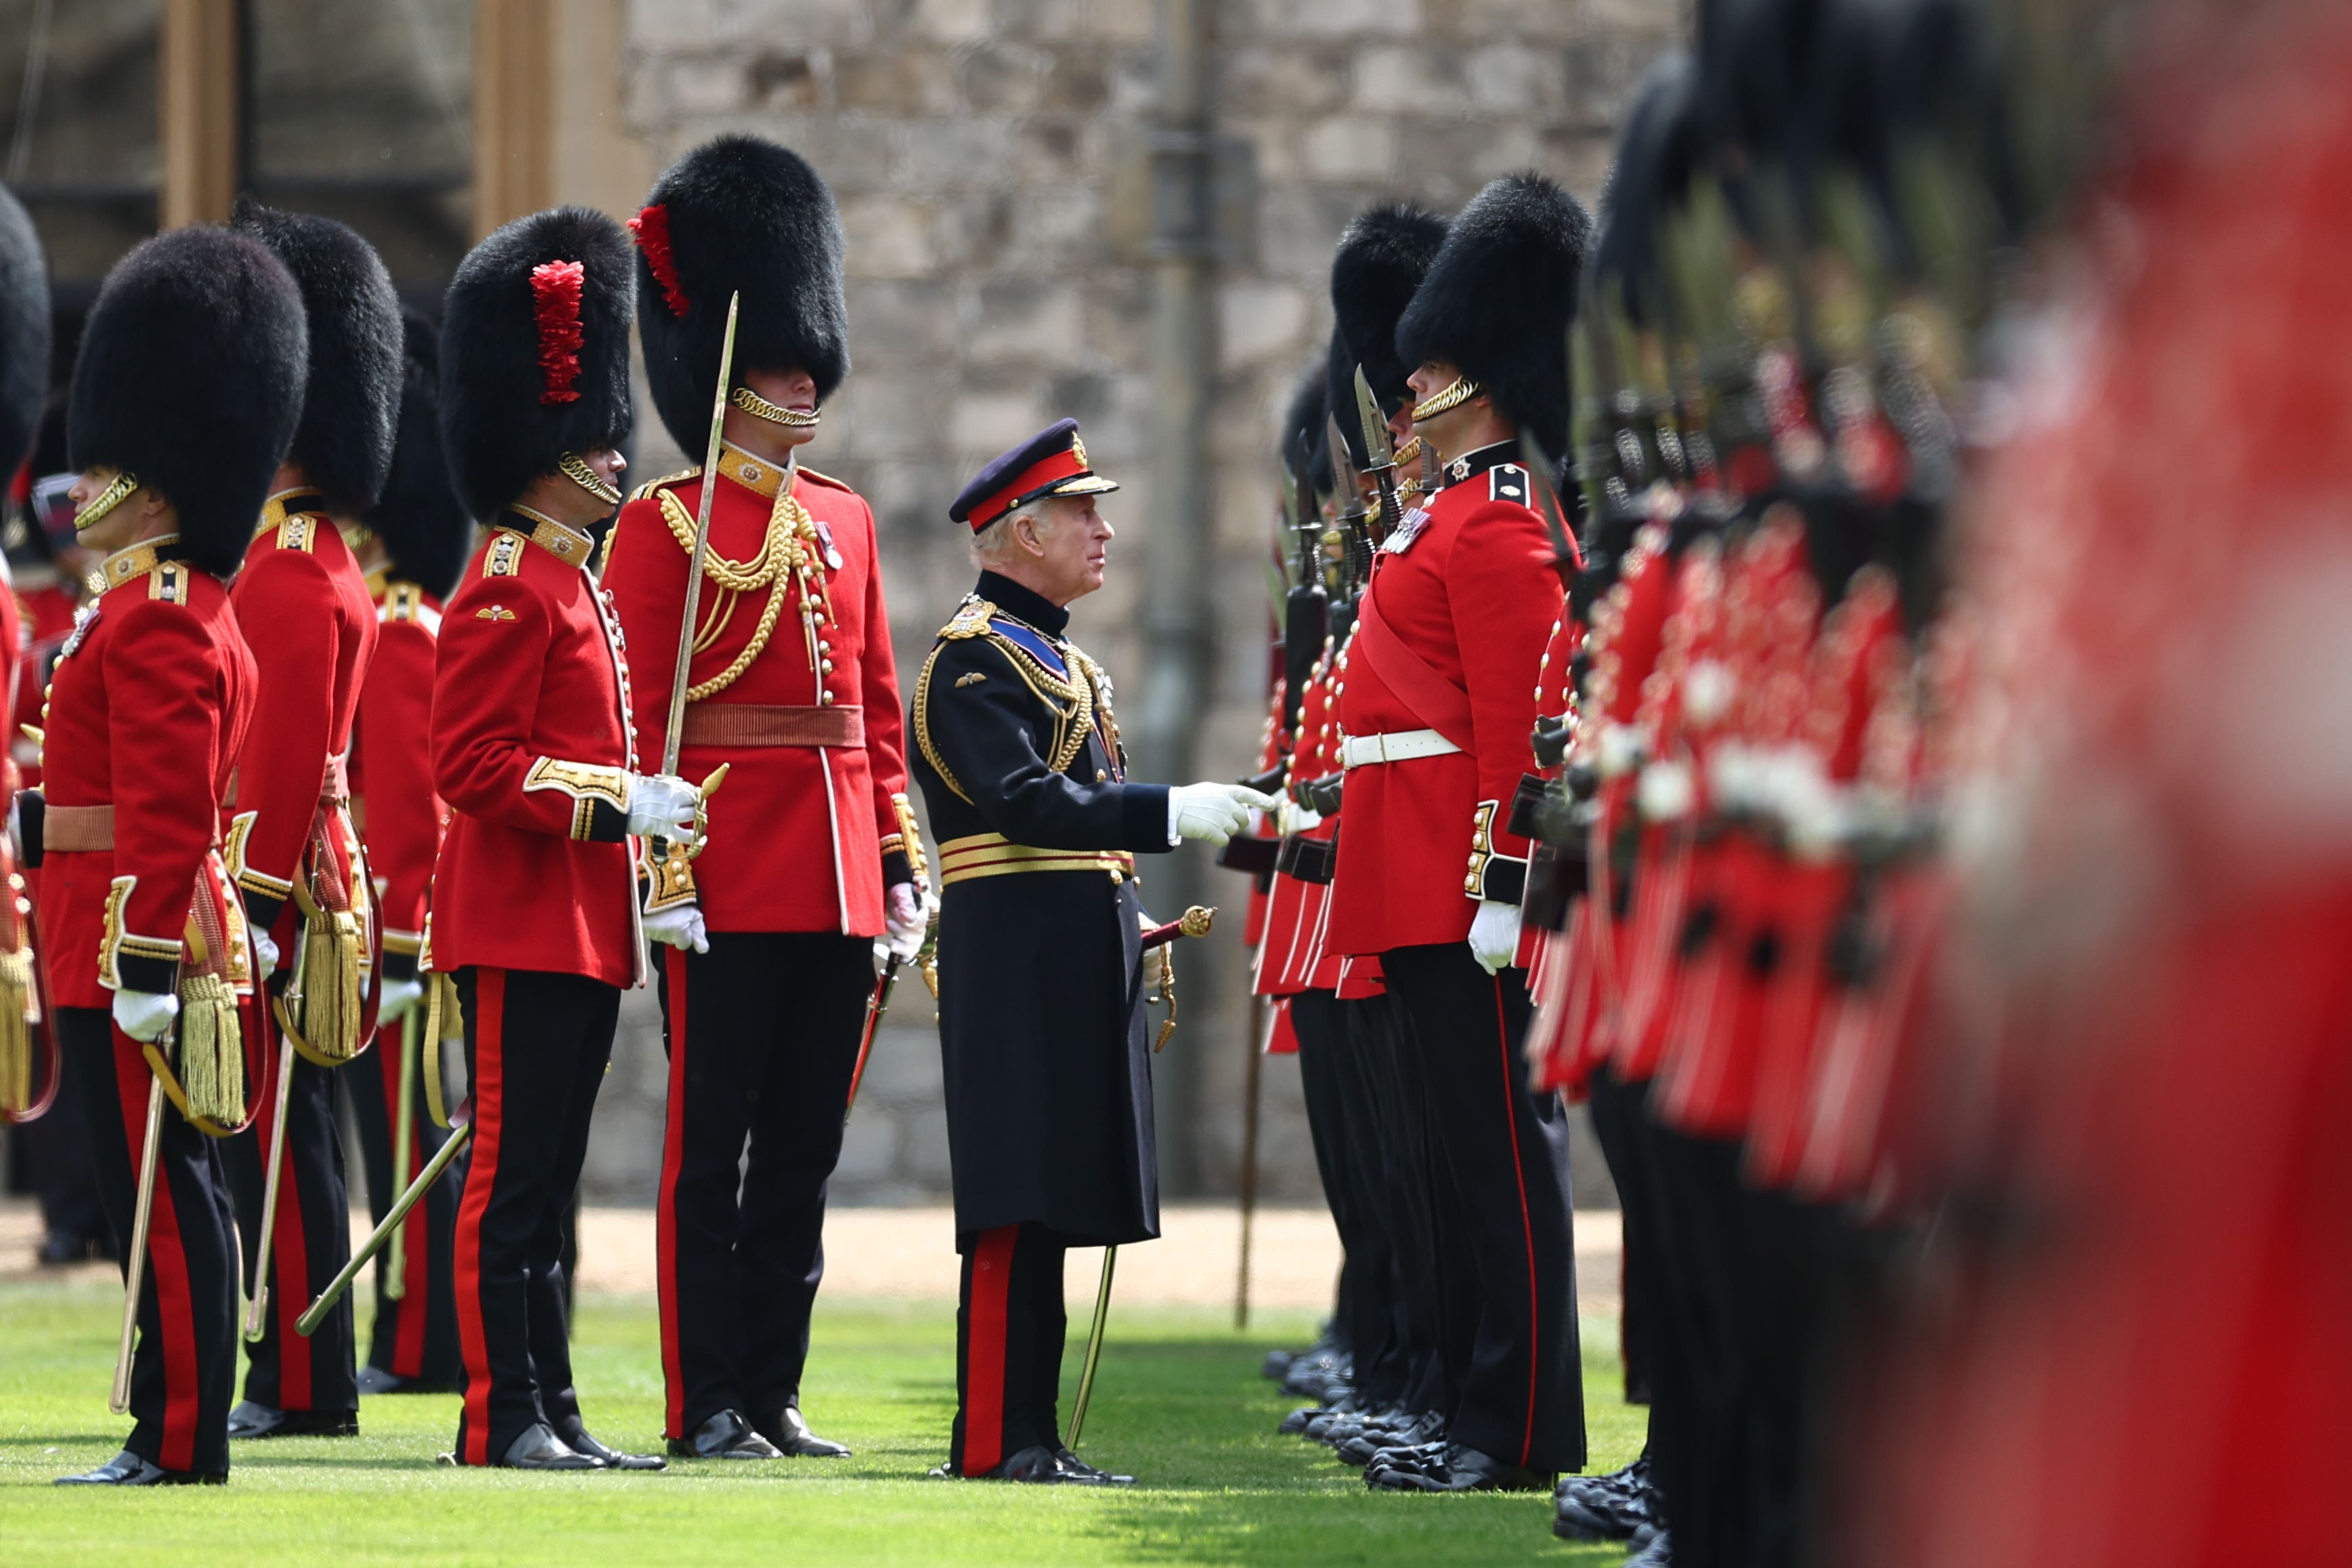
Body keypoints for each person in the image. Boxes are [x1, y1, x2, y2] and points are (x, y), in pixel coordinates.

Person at [606, 134, 923, 1462]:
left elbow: (880, 716)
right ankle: (705, 1401)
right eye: (784, 363)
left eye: (813, 360)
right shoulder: (661, 528)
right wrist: (655, 880)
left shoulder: (845, 522)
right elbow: (634, 723)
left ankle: (774, 1394)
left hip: (842, 872)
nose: (806, 381)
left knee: (800, 1160)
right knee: (709, 1160)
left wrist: (902, 865)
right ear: (729, 375)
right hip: (727, 877)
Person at [909, 418, 1271, 1483]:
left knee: (1059, 1199)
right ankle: (993, 1439)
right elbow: (1026, 802)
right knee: (1017, 1201)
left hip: (1068, 949)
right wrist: (1170, 811)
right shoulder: (971, 659)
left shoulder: (1054, 654)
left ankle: (1033, 1437)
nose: (1104, 531)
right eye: (1081, 514)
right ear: (1022, 534)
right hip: (1017, 958)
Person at [1330, 172, 1589, 1494]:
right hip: (1404, 869)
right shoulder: (1438, 519)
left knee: (1501, 1167)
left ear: (1471, 379)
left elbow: (1520, 733)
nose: (1404, 386)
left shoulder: (1494, 529)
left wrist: (1505, 885)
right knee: (1449, 1164)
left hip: (1459, 884)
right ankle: (1472, 1409)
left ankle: (1519, 1427)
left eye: (1426, 367)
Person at [38, 223, 305, 1483]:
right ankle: (165, 1423)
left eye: (105, 471)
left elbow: (168, 805)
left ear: (154, 484)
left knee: (168, 1191)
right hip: (112, 921)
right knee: (162, 1184)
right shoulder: (163, 605)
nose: (82, 488)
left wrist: (143, 949)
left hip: (127, 931)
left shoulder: (156, 620)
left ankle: (184, 1435)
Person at [430, 204, 695, 1472]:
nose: (612, 454)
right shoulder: (503, 581)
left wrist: (645, 851)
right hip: (519, 923)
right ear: (544, 448)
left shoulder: (575, 578)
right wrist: (615, 799)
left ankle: (558, 1410)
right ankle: (501, 1418)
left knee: (551, 1194)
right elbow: (470, 767)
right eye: (590, 437)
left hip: (585, 927)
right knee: (509, 1187)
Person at [217, 199, 401, 1443]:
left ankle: (297, 1378)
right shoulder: (323, 556)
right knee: (300, 1142)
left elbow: (280, 762)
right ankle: (308, 1374)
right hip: (321, 868)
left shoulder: (286, 571)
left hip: (285, 878)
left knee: (274, 1142)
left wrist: (261, 905)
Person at [339, 307, 471, 1395]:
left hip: (399, 934)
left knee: (408, 1140)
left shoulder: (398, 629)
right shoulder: (396, 618)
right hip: (385, 929)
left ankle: (422, 1340)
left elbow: (407, 806)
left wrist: (397, 939)